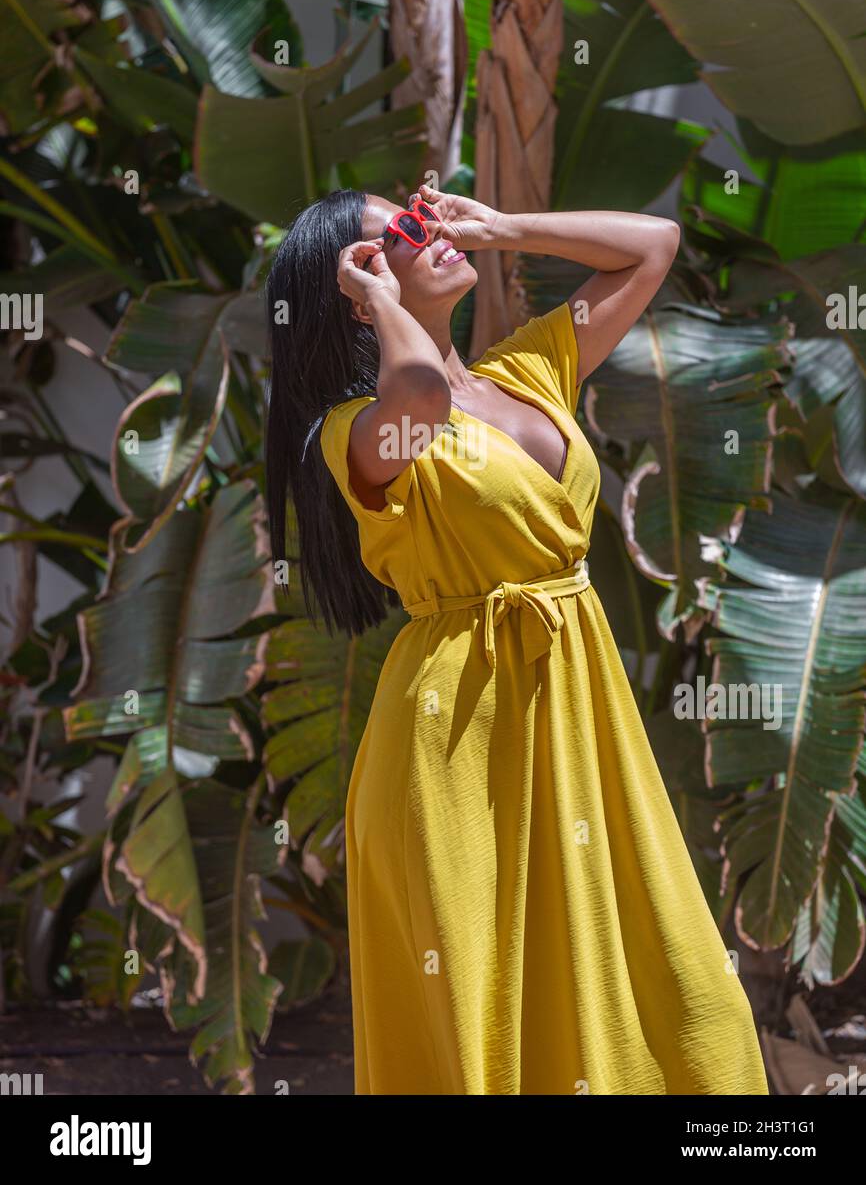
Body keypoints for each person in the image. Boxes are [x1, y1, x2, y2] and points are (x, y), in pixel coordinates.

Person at [265, 183, 769, 1096]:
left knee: (689, 994)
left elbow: (652, 243)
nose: (430, 233)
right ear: (356, 284)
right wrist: (380, 302)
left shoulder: (525, 370)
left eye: (420, 216)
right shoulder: (354, 432)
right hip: (457, 737)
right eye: (399, 237)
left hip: (578, 714)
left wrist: (502, 229)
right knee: (486, 1019)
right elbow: (417, 390)